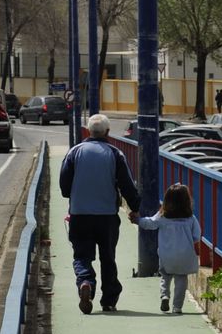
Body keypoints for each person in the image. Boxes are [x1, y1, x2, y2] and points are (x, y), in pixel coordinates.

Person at [58, 114, 140, 314]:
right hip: (107, 217)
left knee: (82, 255)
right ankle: (109, 300)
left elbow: (64, 186)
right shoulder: (115, 153)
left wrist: (75, 195)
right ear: (108, 132)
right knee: (108, 258)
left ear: (88, 131)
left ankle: (85, 281)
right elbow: (126, 184)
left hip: (79, 214)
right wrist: (135, 207)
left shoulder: (74, 152)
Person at [136, 183, 201, 314]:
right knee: (181, 279)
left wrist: (138, 220)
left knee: (165, 275)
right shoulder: (191, 219)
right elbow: (197, 236)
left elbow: (150, 223)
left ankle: (165, 295)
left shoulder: (163, 217)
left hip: (167, 255)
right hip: (185, 255)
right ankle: (177, 307)